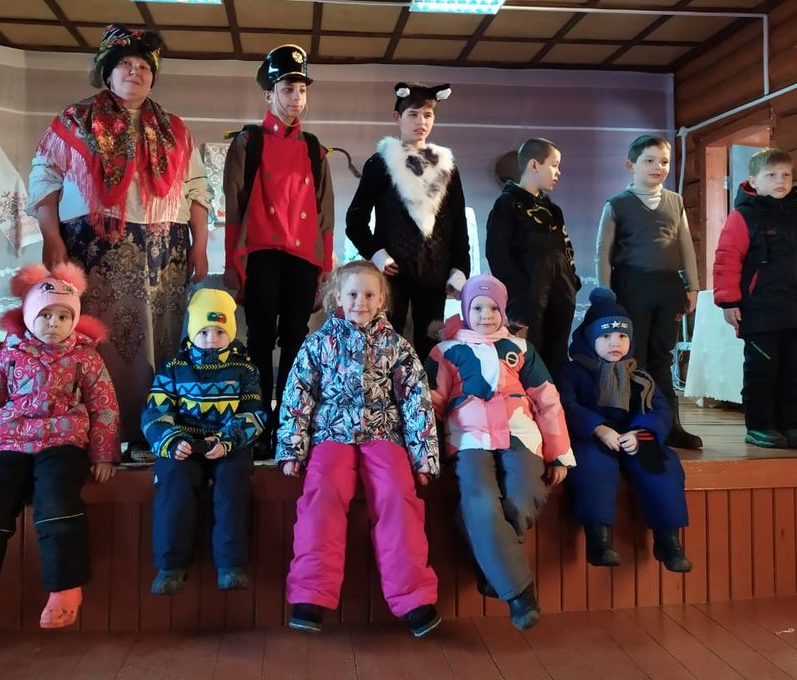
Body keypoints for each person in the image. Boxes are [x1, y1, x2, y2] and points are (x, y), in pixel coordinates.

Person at [27, 24, 211, 461]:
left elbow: (197, 190)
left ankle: (151, 431)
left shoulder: (175, 129)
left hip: (165, 250)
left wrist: (200, 246)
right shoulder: (75, 120)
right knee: (99, 339)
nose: (135, 72)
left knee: (159, 343)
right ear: (107, 72)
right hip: (94, 247)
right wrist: (51, 237)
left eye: (144, 66)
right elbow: (44, 178)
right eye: (125, 64)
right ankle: (96, 431)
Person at [0, 263, 120, 642]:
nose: (54, 323)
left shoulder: (86, 357)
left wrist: (103, 454)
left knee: (57, 504)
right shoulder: (8, 356)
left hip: (63, 444)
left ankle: (65, 590)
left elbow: (104, 406)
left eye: (63, 316)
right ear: (28, 316)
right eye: (45, 315)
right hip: (8, 443)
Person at [277, 260, 442, 637]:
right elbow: (298, 395)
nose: (360, 302)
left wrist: (424, 456)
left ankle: (414, 598)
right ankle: (310, 594)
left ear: (381, 299)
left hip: (383, 433)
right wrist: (292, 448)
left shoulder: (396, 346)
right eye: (352, 294)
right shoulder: (318, 343)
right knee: (322, 494)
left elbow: (415, 400)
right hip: (332, 433)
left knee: (397, 496)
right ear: (338, 296)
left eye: (369, 295)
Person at [425, 274, 575, 630]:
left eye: (494, 308)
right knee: (480, 502)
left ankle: (492, 566)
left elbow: (547, 399)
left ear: (504, 311)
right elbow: (431, 403)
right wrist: (425, 452)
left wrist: (559, 453)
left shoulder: (520, 348)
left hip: (520, 433)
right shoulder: (446, 350)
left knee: (524, 496)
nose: (486, 315)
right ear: (465, 309)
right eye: (478, 307)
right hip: (469, 438)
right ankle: (520, 594)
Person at [222, 44, 334, 459]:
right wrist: (233, 264)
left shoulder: (314, 148)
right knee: (258, 340)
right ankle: (255, 425)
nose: (296, 98)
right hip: (261, 252)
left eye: (302, 90)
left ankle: (288, 423)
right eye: (287, 89)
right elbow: (233, 208)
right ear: (268, 94)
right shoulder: (247, 142)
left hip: (303, 258)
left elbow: (325, 214)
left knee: (295, 340)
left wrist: (325, 266)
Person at [712, 148, 797, 449]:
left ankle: (790, 425)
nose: (780, 181)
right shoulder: (743, 216)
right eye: (771, 175)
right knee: (763, 371)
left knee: (796, 372)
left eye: (786, 175)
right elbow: (727, 259)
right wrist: (729, 301)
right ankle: (760, 426)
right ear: (753, 181)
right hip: (761, 310)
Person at [141, 288, 266, 595]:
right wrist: (171, 440)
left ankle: (230, 564)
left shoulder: (245, 370)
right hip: (184, 442)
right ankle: (171, 566)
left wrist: (228, 440)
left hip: (226, 443)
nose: (211, 339)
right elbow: (155, 412)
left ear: (231, 333)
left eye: (220, 332)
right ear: (192, 331)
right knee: (174, 477)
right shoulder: (174, 368)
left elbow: (254, 414)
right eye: (204, 331)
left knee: (233, 478)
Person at [558, 287, 692, 573]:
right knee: (592, 465)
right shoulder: (573, 371)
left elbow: (660, 410)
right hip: (592, 437)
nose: (614, 343)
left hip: (632, 437)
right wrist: (597, 428)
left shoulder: (639, 374)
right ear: (589, 338)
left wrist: (641, 433)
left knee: (662, 463)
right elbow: (566, 405)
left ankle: (668, 540)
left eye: (622, 336)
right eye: (605, 336)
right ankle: (599, 540)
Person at [346, 82, 470, 361]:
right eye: (413, 114)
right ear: (397, 117)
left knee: (432, 347)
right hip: (393, 274)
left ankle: (429, 391)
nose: (421, 122)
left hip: (435, 272)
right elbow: (355, 220)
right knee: (386, 344)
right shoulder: (380, 163)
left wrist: (460, 269)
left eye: (427, 115)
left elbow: (458, 225)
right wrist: (377, 254)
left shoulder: (447, 166)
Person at [595, 134, 702, 449]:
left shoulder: (675, 202)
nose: (658, 167)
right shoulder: (617, 204)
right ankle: (634, 423)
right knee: (633, 357)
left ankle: (670, 425)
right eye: (649, 160)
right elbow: (603, 252)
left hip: (667, 288)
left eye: (664, 161)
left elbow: (685, 245)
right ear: (631, 165)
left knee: (662, 357)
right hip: (631, 286)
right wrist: (604, 295)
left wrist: (692, 285)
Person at [486, 137, 581, 372]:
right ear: (534, 165)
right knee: (527, 356)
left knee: (557, 355)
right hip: (526, 299)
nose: (558, 172)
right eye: (554, 165)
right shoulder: (507, 204)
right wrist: (519, 290)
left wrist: (572, 281)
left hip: (561, 295)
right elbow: (496, 253)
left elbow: (566, 248)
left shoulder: (553, 210)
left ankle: (556, 395)